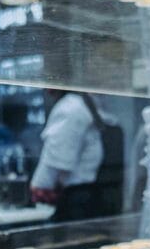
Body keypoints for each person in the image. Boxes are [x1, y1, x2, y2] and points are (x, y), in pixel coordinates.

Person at [30, 91, 123, 222]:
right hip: (106, 201)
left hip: (79, 202)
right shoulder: (96, 105)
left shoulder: (70, 106)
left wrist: (40, 186)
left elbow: (56, 160)